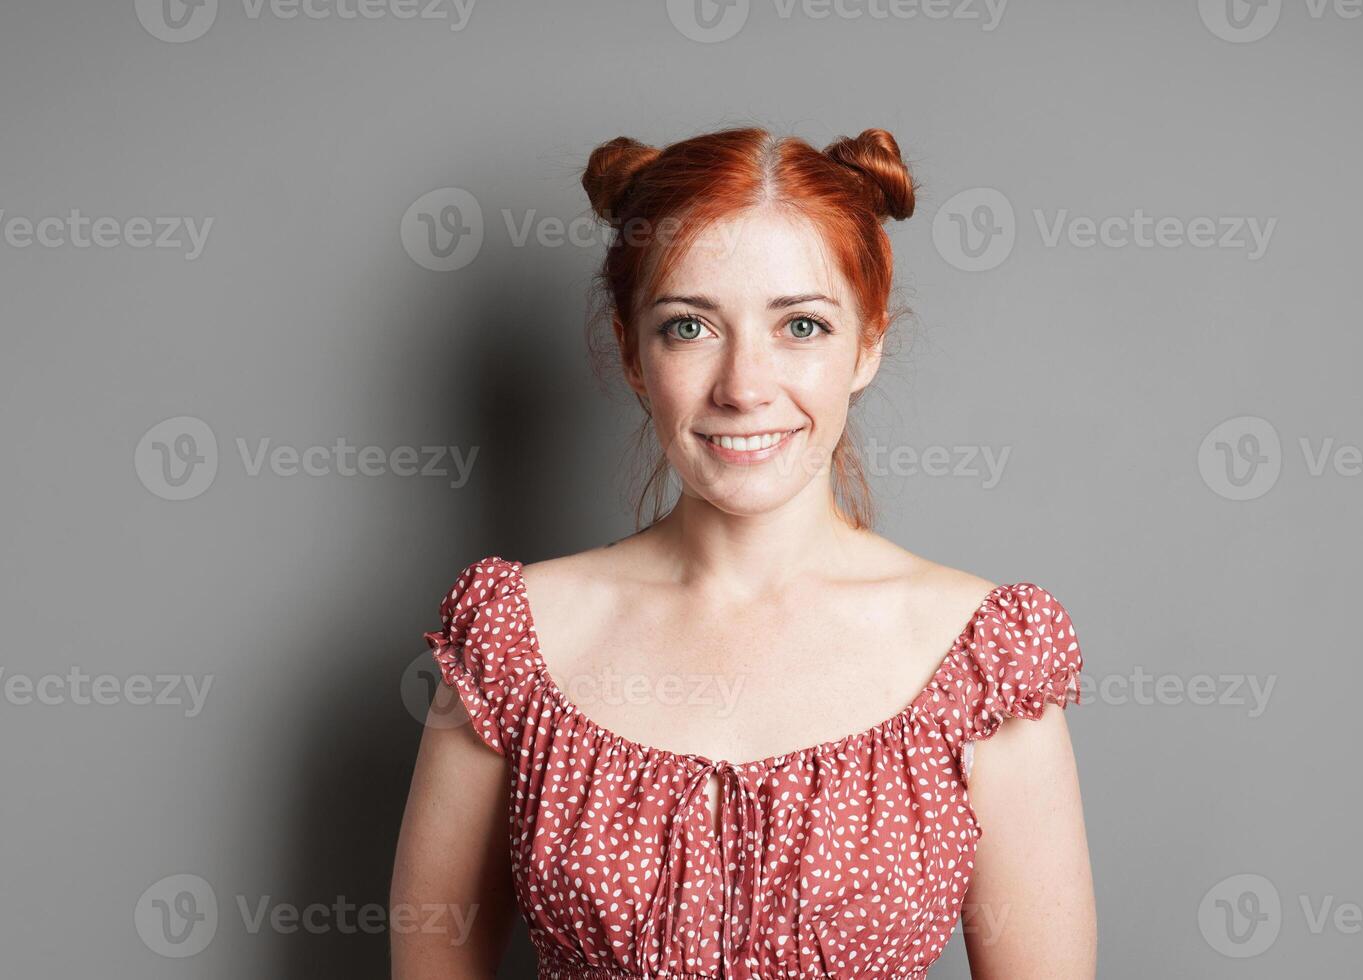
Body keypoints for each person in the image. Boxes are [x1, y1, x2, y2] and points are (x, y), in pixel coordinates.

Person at [390, 125, 1096, 979]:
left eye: (801, 325)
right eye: (689, 327)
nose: (744, 386)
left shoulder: (983, 660)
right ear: (630, 352)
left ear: (866, 343)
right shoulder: (511, 643)